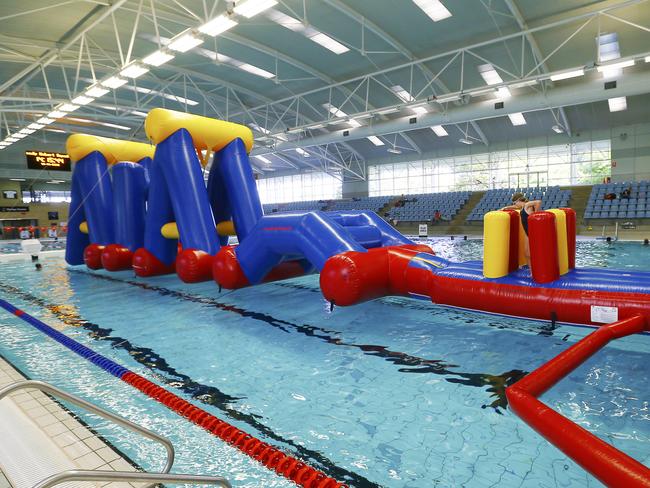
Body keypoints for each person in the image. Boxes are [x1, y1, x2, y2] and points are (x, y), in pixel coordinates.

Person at [501, 192, 542, 266]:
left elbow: (538, 202)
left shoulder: (527, 205)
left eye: (515, 202)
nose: (514, 204)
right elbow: (516, 207)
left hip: (531, 231)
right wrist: (506, 208)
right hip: (527, 232)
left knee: (531, 253)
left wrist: (536, 215)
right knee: (526, 253)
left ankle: (535, 269)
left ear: (519, 200)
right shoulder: (522, 207)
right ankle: (531, 271)